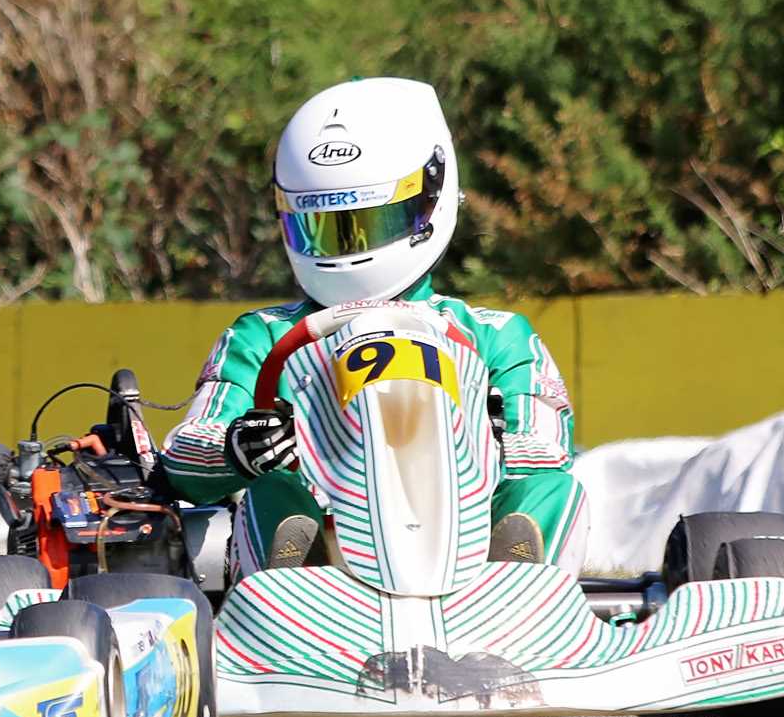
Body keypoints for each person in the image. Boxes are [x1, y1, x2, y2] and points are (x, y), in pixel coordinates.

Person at [161, 77, 588, 574]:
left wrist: (489, 442)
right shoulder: (262, 336)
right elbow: (183, 453)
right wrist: (238, 447)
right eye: (325, 230)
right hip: (328, 568)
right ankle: (296, 572)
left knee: (551, 489)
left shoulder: (495, 335)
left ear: (427, 201)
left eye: (368, 224)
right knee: (273, 489)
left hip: (466, 558)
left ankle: (518, 586)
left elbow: (548, 450)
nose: (348, 249)